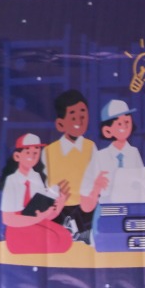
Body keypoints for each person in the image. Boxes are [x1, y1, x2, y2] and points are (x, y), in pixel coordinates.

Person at [0, 133, 73, 255]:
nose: (32, 156)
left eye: (36, 152)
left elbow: (45, 215)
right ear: (17, 156)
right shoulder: (11, 181)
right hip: (17, 230)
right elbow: (8, 219)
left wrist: (59, 205)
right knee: (56, 241)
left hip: (36, 224)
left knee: (65, 238)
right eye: (28, 152)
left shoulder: (36, 177)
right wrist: (39, 218)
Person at [78, 99, 145, 212]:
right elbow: (85, 204)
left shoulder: (134, 153)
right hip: (108, 209)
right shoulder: (100, 156)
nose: (124, 126)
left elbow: (143, 184)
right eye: (119, 124)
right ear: (107, 131)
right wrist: (96, 187)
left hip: (132, 209)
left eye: (127, 122)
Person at [45, 89, 94, 241]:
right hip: (58, 209)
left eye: (83, 115)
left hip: (86, 209)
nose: (79, 121)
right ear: (60, 124)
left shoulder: (90, 147)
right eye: (73, 116)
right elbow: (43, 184)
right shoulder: (49, 151)